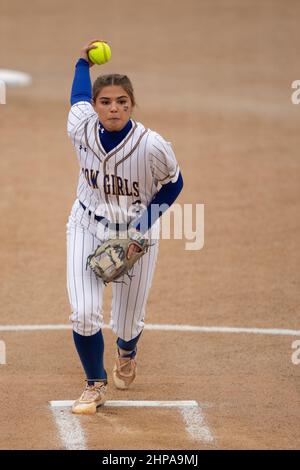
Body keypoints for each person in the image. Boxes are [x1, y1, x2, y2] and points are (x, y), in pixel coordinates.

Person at [66, 40, 184, 414]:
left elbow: (174, 184)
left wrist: (139, 229)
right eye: (106, 102)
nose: (113, 108)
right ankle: (94, 384)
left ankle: (127, 350)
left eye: (121, 102)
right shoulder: (81, 128)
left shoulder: (151, 145)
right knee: (84, 312)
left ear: (131, 105)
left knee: (127, 321)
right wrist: (81, 61)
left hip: (136, 235)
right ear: (97, 106)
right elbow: (78, 95)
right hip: (85, 224)